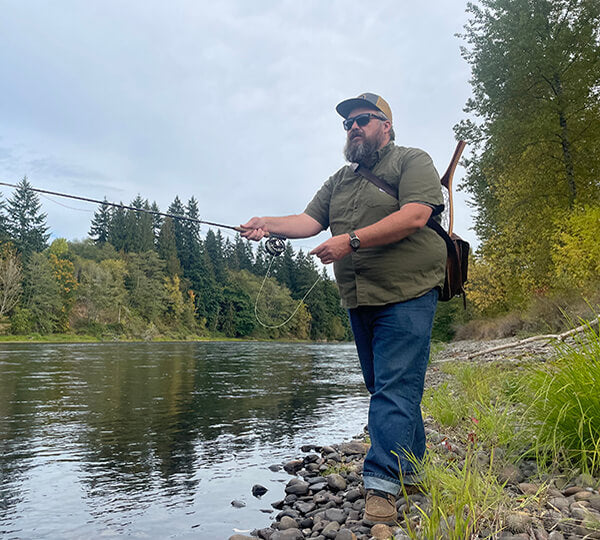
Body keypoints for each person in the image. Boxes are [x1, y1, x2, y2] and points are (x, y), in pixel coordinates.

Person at [241, 93, 446, 525]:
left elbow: (414, 215)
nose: (353, 127)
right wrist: (266, 223)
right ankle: (410, 470)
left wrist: (350, 240)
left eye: (363, 119)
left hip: (408, 290)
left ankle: (382, 486)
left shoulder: (413, 161)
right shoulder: (338, 180)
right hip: (359, 296)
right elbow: (307, 221)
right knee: (387, 386)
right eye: (348, 123)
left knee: (393, 387)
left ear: (385, 126)